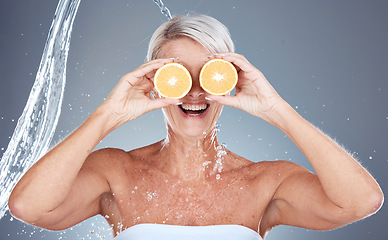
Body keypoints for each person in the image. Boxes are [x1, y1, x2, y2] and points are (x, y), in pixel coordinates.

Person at [8, 14, 383, 240]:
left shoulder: (266, 181)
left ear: (230, 82)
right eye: (177, 77)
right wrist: (108, 114)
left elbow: (361, 202)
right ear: (154, 82)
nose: (195, 91)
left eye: (209, 74)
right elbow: (28, 206)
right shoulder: (116, 172)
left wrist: (277, 109)